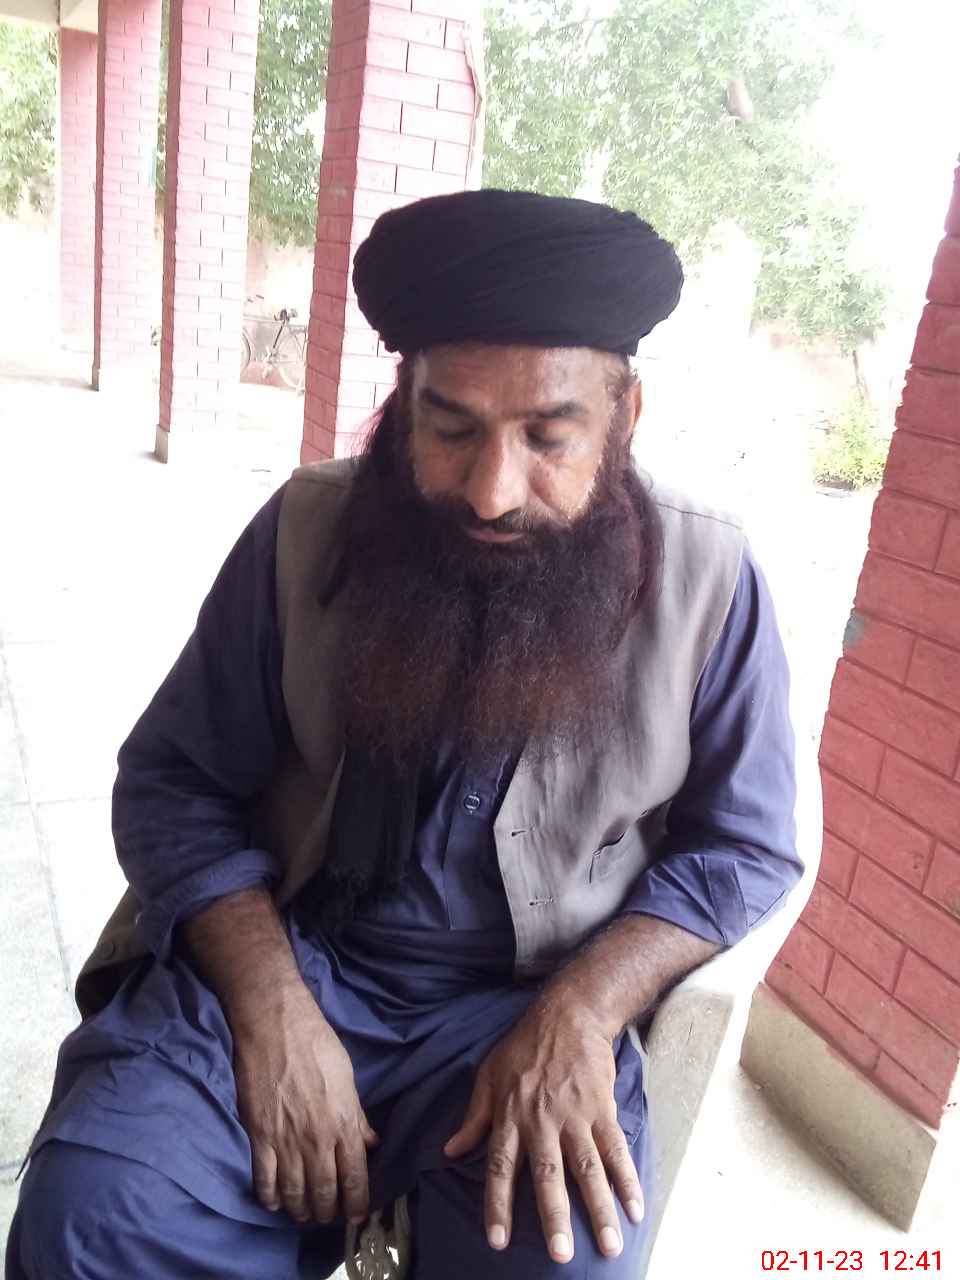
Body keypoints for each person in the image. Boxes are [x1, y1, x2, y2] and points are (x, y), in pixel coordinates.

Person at [6, 189, 801, 1280]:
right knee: (92, 1218)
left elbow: (744, 845)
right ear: (404, 405)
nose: (491, 490)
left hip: (526, 1003)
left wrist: (584, 1009)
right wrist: (271, 1005)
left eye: (548, 436)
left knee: (567, 1260)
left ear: (625, 417)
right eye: (452, 428)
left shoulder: (711, 580)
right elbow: (175, 783)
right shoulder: (306, 530)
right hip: (297, 955)